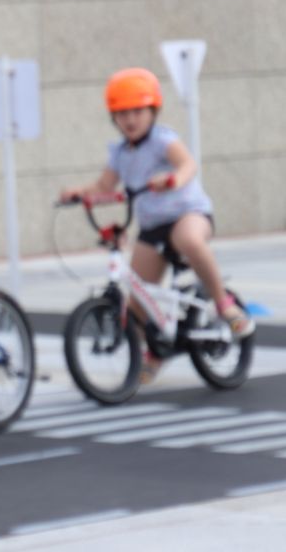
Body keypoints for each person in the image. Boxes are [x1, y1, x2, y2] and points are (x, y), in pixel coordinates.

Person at [59, 67, 253, 382]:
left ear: (152, 111)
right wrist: (80, 193)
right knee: (136, 301)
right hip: (153, 227)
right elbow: (104, 185)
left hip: (187, 214)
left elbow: (188, 164)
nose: (130, 120)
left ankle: (224, 304)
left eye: (137, 111)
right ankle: (151, 354)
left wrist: (173, 178)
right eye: (122, 114)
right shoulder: (119, 153)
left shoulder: (164, 140)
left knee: (190, 240)